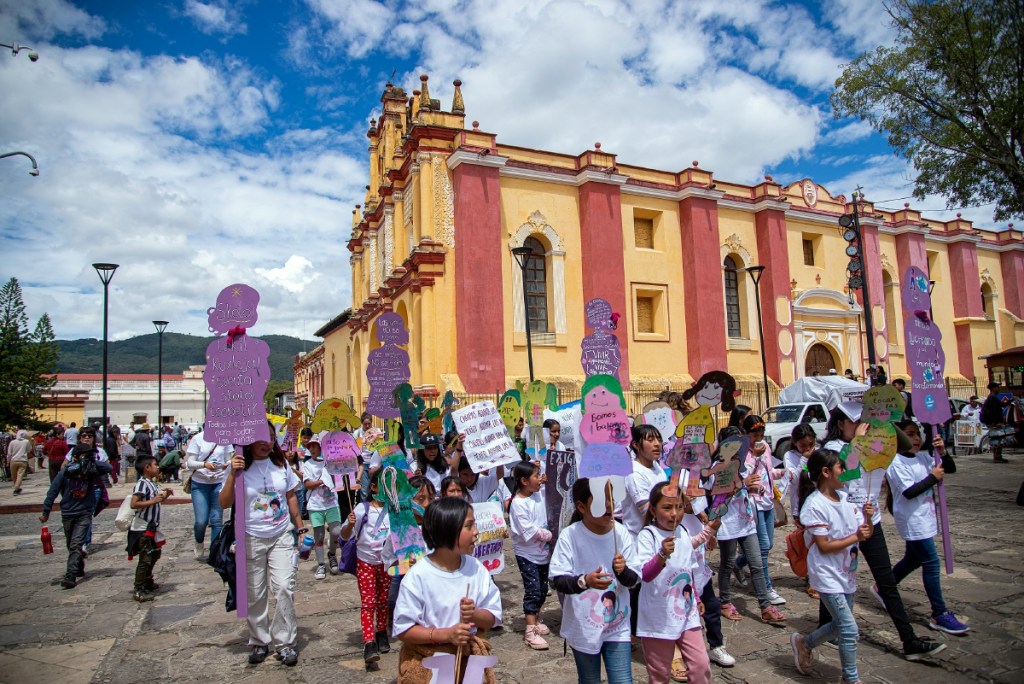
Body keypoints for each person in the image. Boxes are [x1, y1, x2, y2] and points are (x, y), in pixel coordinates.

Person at [821, 403, 946, 661]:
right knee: (836, 578)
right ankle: (826, 629)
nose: (861, 425)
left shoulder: (875, 443)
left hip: (871, 521)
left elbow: (900, 444)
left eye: (864, 420)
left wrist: (885, 420)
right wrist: (855, 442)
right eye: (855, 421)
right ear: (841, 423)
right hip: (844, 524)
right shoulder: (832, 450)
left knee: (887, 582)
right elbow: (844, 475)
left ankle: (909, 641)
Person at [393, 496, 502, 683]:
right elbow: (404, 629)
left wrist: (474, 614)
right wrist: (445, 635)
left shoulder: (476, 569)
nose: (476, 532)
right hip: (430, 661)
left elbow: (492, 617)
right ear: (448, 530)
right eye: (469, 526)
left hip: (470, 663)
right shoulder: (418, 576)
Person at [218, 431, 303, 667]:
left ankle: (285, 643)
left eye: (272, 438)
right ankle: (259, 639)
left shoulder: (281, 464)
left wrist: (300, 527)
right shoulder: (239, 465)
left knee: (285, 586)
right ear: (249, 440)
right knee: (255, 591)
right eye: (262, 438)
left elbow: (290, 496)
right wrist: (232, 476)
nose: (267, 443)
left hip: (281, 534)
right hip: (250, 536)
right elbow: (224, 502)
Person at [791, 448, 874, 683]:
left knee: (838, 625)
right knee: (849, 629)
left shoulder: (848, 499)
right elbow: (824, 546)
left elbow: (865, 534)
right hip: (826, 575)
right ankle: (851, 678)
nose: (845, 472)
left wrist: (868, 519)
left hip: (847, 572)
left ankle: (804, 643)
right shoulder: (815, 505)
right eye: (841, 468)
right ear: (826, 472)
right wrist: (856, 536)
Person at [549, 477, 641, 684]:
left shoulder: (621, 533)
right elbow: (558, 579)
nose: (609, 506)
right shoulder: (570, 536)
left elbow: (633, 579)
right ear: (582, 506)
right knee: (589, 679)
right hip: (584, 627)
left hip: (617, 625)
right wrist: (584, 581)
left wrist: (622, 571)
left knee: (623, 680)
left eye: (611, 498)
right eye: (601, 500)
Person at [886, 421, 969, 634]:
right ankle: (939, 613)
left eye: (917, 434)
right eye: (909, 434)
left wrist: (942, 452)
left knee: (912, 559)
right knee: (931, 562)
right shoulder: (895, 462)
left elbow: (948, 468)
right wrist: (933, 478)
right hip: (913, 520)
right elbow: (909, 491)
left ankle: (884, 587)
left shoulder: (923, 457)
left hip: (926, 517)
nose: (915, 439)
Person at [636, 482, 720, 684]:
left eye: (679, 507)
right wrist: (662, 555)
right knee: (660, 674)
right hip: (658, 616)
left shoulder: (682, 531)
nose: (675, 513)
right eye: (667, 508)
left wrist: (697, 597)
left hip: (687, 612)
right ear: (653, 510)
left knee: (700, 666)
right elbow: (645, 574)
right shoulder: (648, 536)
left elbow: (687, 569)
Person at [714, 427, 786, 624]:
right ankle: (725, 601)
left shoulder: (743, 464)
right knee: (727, 563)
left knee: (756, 563)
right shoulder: (718, 467)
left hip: (746, 521)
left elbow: (747, 485)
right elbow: (718, 495)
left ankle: (765, 606)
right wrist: (743, 484)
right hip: (727, 523)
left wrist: (754, 487)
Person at [39, 442, 112, 588]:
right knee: (70, 544)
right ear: (75, 457)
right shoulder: (65, 472)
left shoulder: (90, 470)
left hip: (84, 512)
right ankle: (78, 566)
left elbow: (108, 468)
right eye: (84, 454)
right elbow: (52, 491)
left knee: (76, 544)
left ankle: (70, 576)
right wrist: (46, 511)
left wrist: (91, 461)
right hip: (68, 512)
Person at [341, 467, 393, 665]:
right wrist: (348, 524)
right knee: (368, 602)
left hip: (386, 564)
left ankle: (381, 632)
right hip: (366, 563)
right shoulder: (362, 510)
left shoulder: (394, 510)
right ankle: (369, 641)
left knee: (382, 600)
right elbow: (345, 536)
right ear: (373, 487)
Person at [734, 415, 787, 606]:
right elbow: (744, 476)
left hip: (768, 501)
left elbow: (767, 471)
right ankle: (766, 586)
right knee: (763, 546)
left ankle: (738, 563)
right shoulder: (743, 451)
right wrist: (755, 457)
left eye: (761, 433)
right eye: (755, 433)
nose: (759, 437)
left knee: (769, 543)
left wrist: (780, 473)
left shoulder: (765, 447)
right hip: (753, 502)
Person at [622, 424, 668, 634]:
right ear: (636, 444)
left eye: (658, 439)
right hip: (639, 538)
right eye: (650, 440)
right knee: (638, 586)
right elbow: (645, 509)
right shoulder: (633, 471)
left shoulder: (658, 468)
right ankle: (632, 631)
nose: (657, 444)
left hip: (660, 535)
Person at [508, 460, 553, 650]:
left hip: (543, 553)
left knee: (543, 588)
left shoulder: (537, 495)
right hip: (527, 554)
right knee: (533, 589)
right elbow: (529, 531)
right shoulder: (518, 504)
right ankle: (530, 630)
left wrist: (547, 482)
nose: (539, 479)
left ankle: (537, 617)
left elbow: (550, 495)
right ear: (524, 481)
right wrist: (551, 534)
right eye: (536, 476)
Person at [127, 454, 171, 602]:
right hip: (142, 528)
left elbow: (156, 502)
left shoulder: (152, 483)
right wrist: (153, 500)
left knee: (155, 554)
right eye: (155, 464)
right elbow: (134, 503)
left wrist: (165, 496)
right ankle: (139, 588)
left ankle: (148, 580)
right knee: (145, 558)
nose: (158, 467)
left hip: (152, 528)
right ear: (147, 468)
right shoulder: (142, 484)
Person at [782, 423, 819, 598]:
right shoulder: (790, 456)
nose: (807, 448)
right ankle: (811, 578)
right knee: (809, 543)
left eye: (810, 444)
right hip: (801, 504)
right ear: (795, 443)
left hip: (818, 502)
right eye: (802, 445)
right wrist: (804, 460)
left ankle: (816, 577)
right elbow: (793, 479)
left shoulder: (820, 452)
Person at [185, 426, 231, 560]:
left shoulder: (225, 439)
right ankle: (199, 541)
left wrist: (225, 464)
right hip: (200, 483)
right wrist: (204, 464)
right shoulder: (198, 438)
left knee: (217, 520)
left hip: (218, 481)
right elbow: (190, 462)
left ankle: (214, 551)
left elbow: (229, 459)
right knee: (201, 521)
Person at [301, 434, 343, 579]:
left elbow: (340, 476)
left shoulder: (329, 462)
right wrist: (321, 481)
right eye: (310, 446)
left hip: (331, 503)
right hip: (315, 505)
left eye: (315, 446)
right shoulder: (307, 465)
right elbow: (307, 484)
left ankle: (332, 554)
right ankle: (320, 564)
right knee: (318, 536)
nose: (312, 449)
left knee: (336, 531)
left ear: (321, 448)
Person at [981, 382, 1009, 463]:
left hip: (994, 422)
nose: (998, 388)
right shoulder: (992, 398)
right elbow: (994, 412)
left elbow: (1002, 405)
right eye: (997, 387)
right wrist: (998, 422)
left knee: (998, 439)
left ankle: (998, 456)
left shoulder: (993, 397)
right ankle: (997, 457)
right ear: (993, 388)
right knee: (997, 439)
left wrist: (1011, 400)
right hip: (994, 423)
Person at [6, 430, 33, 495]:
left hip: (13, 460)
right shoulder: (26, 441)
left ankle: (16, 488)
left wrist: (8, 461)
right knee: (20, 475)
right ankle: (17, 488)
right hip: (23, 460)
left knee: (14, 476)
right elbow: (29, 449)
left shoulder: (12, 442)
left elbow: (9, 453)